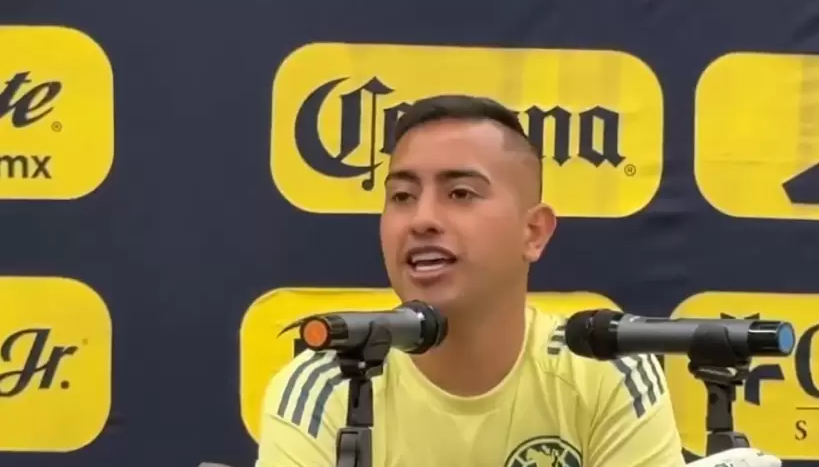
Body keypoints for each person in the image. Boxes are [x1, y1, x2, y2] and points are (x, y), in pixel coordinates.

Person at [255, 94, 687, 466]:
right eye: (402, 196)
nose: (422, 219)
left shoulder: (605, 372)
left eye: (460, 193)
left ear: (533, 232)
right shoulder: (327, 386)